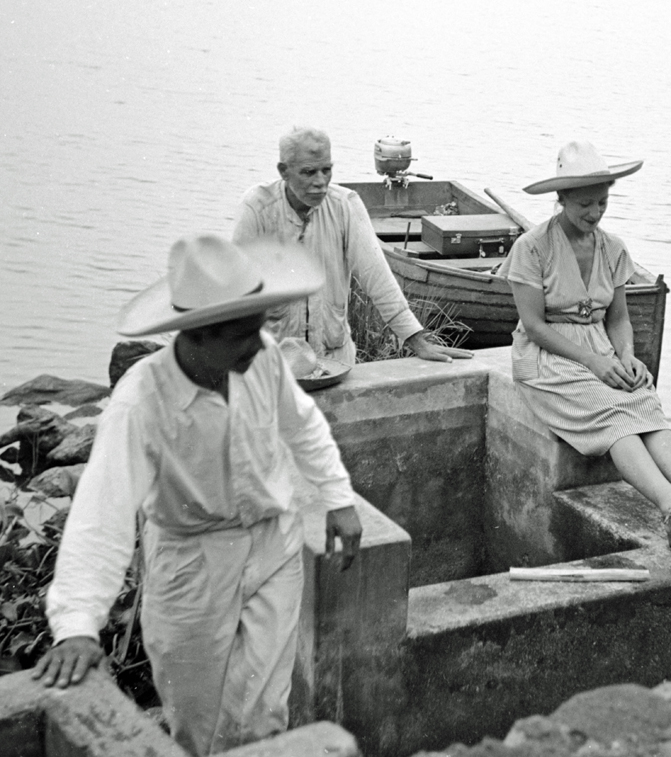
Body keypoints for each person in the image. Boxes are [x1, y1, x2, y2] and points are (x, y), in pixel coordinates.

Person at [33, 235, 364, 756]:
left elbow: (303, 427)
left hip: (273, 546)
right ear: (197, 335)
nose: (257, 343)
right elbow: (104, 511)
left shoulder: (266, 359)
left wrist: (338, 498)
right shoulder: (143, 400)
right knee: (196, 724)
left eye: (258, 328)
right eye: (241, 334)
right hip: (191, 564)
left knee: (264, 715)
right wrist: (77, 623)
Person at [499, 141, 671, 549]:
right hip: (547, 357)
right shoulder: (532, 248)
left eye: (602, 202)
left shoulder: (613, 248)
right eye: (584, 204)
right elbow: (533, 326)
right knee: (614, 413)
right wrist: (594, 363)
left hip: (597, 350)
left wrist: (626, 356)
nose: (594, 213)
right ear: (561, 198)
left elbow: (617, 317)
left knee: (644, 401)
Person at [233, 126, 473, 365]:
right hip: (273, 364)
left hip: (333, 359)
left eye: (326, 170)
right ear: (284, 171)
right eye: (308, 172)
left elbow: (377, 277)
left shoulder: (345, 205)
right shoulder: (258, 207)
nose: (320, 182)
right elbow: (237, 290)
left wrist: (416, 340)